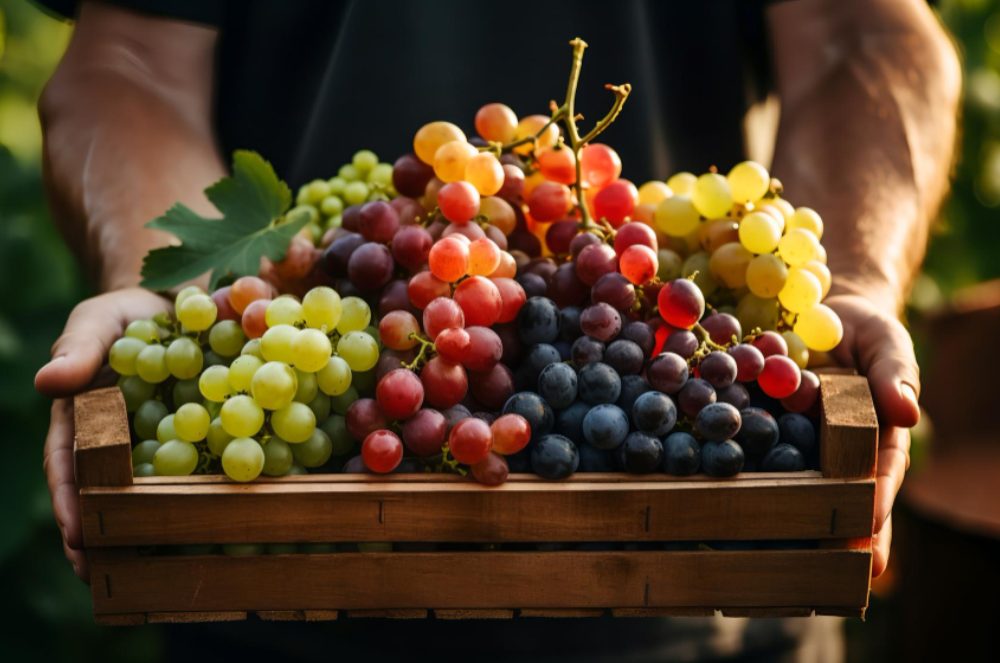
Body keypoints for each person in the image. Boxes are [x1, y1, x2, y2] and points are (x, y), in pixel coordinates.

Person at [34, 0, 959, 660]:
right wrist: (190, 293)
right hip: (270, 570)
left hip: (705, 549)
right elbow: (132, 59)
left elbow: (862, 29)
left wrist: (848, 282)